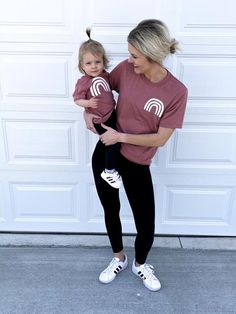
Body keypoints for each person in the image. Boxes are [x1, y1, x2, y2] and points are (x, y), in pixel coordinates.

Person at [84, 19, 188, 291]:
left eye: (134, 55)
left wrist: (121, 136)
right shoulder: (126, 71)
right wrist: (88, 112)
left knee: (146, 223)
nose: (128, 61)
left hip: (137, 162)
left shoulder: (176, 92)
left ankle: (140, 264)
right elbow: (99, 89)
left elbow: (161, 139)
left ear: (153, 55)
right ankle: (118, 257)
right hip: (106, 155)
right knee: (111, 209)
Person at [73, 28, 122, 189]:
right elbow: (77, 99)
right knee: (112, 142)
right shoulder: (84, 82)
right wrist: (87, 105)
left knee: (118, 140)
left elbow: (116, 87)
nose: (93, 66)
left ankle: (112, 166)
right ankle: (109, 171)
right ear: (82, 65)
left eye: (97, 62)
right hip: (99, 119)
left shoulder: (106, 76)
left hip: (111, 114)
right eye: (88, 63)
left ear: (104, 61)